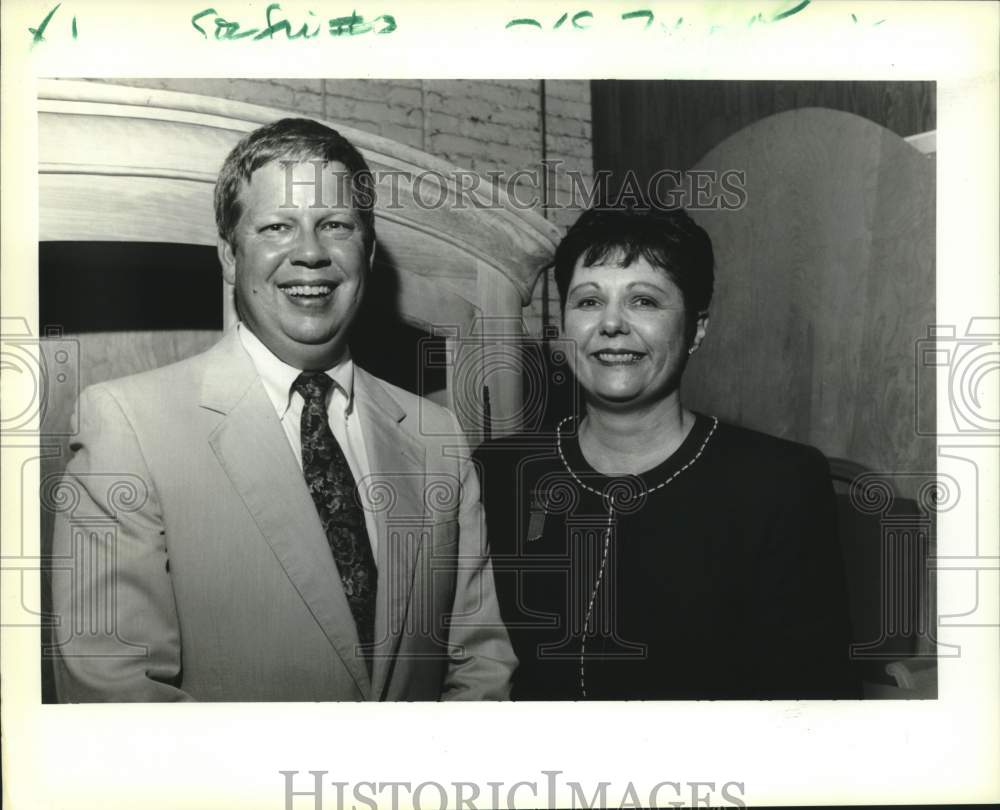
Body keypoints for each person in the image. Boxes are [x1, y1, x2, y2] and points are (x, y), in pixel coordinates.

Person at [50, 118, 516, 702]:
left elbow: (481, 665)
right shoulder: (127, 424)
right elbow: (114, 696)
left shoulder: (437, 435)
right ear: (228, 256)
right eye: (277, 227)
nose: (311, 253)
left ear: (367, 252)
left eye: (335, 226)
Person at [476, 207, 860, 700]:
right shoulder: (498, 475)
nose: (611, 323)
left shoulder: (779, 483)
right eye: (589, 301)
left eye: (644, 301)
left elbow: (818, 701)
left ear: (697, 329)